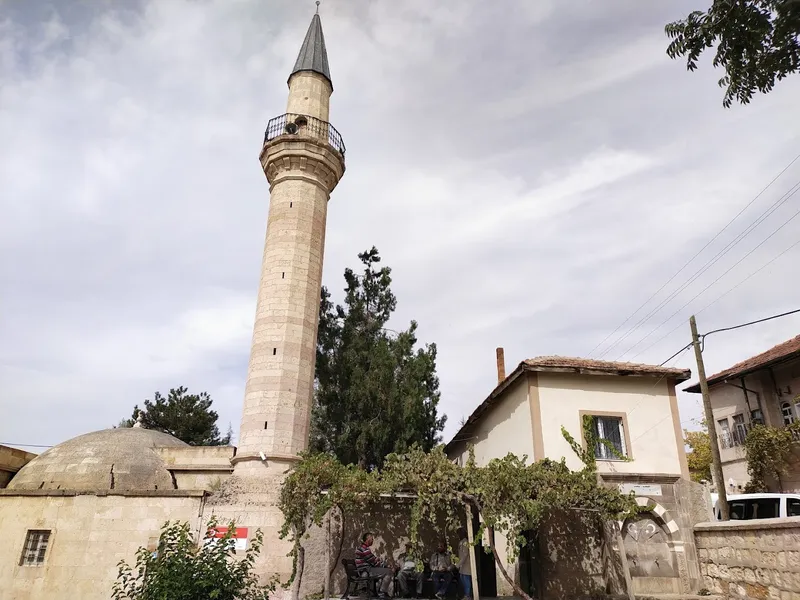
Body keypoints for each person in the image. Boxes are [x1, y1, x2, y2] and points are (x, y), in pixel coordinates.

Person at [355, 532, 395, 598]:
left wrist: (379, 561)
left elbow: (373, 560)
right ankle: (382, 592)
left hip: (366, 570)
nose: (373, 540)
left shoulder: (363, 548)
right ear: (368, 539)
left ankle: (381, 592)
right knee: (389, 571)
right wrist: (385, 565)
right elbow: (374, 562)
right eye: (372, 539)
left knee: (387, 570)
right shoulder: (364, 550)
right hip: (367, 571)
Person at [457, 528, 472, 600]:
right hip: (462, 565)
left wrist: (458, 564)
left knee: (466, 579)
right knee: (462, 578)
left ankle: (467, 595)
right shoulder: (461, 542)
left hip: (466, 564)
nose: (458, 535)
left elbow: (465, 555)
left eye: (460, 533)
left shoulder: (465, 542)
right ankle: (465, 595)